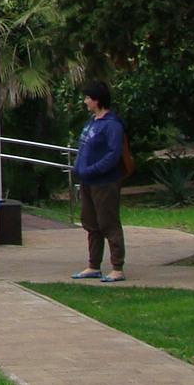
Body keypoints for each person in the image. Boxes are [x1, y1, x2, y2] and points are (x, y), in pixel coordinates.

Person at [70, 79, 128, 282]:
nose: (85, 102)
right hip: (87, 181)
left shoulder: (112, 125)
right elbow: (84, 148)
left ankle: (117, 267)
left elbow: (113, 154)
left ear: (97, 100)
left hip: (104, 182)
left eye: (88, 98)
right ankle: (93, 265)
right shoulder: (92, 122)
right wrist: (79, 167)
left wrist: (94, 169)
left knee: (108, 223)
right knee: (91, 223)